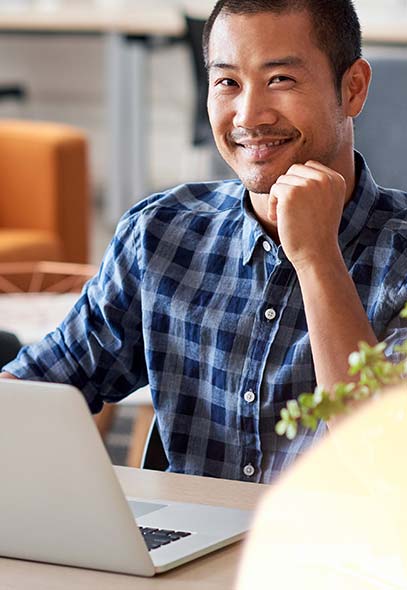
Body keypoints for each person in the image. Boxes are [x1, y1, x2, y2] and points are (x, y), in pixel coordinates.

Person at [1, 0, 406, 483]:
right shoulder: (162, 233)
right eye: (227, 82)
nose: (249, 115)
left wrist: (317, 259)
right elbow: (35, 388)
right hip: (181, 550)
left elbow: (382, 464)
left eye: (280, 79)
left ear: (353, 88)